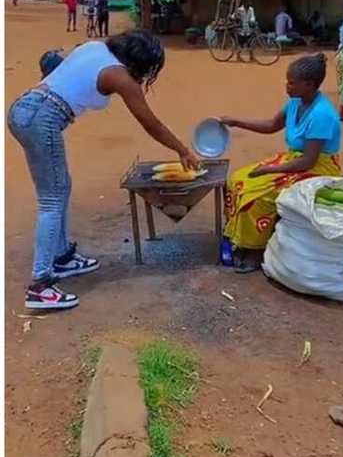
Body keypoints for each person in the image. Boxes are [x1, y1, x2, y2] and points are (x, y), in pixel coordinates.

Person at [8, 31, 201, 309]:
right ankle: (40, 285)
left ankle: (61, 256)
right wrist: (182, 150)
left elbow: (52, 60)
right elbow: (151, 123)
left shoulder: (94, 47)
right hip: (42, 118)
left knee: (60, 189)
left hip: (28, 108)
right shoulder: (119, 75)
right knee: (52, 199)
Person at [219, 54, 343, 273]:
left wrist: (271, 169)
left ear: (309, 84)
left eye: (291, 82)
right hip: (295, 160)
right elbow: (271, 125)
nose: (287, 86)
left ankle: (255, 251)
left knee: (258, 196)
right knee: (239, 179)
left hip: (317, 168)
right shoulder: (295, 103)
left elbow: (308, 161)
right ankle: (241, 237)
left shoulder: (322, 114)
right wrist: (236, 122)